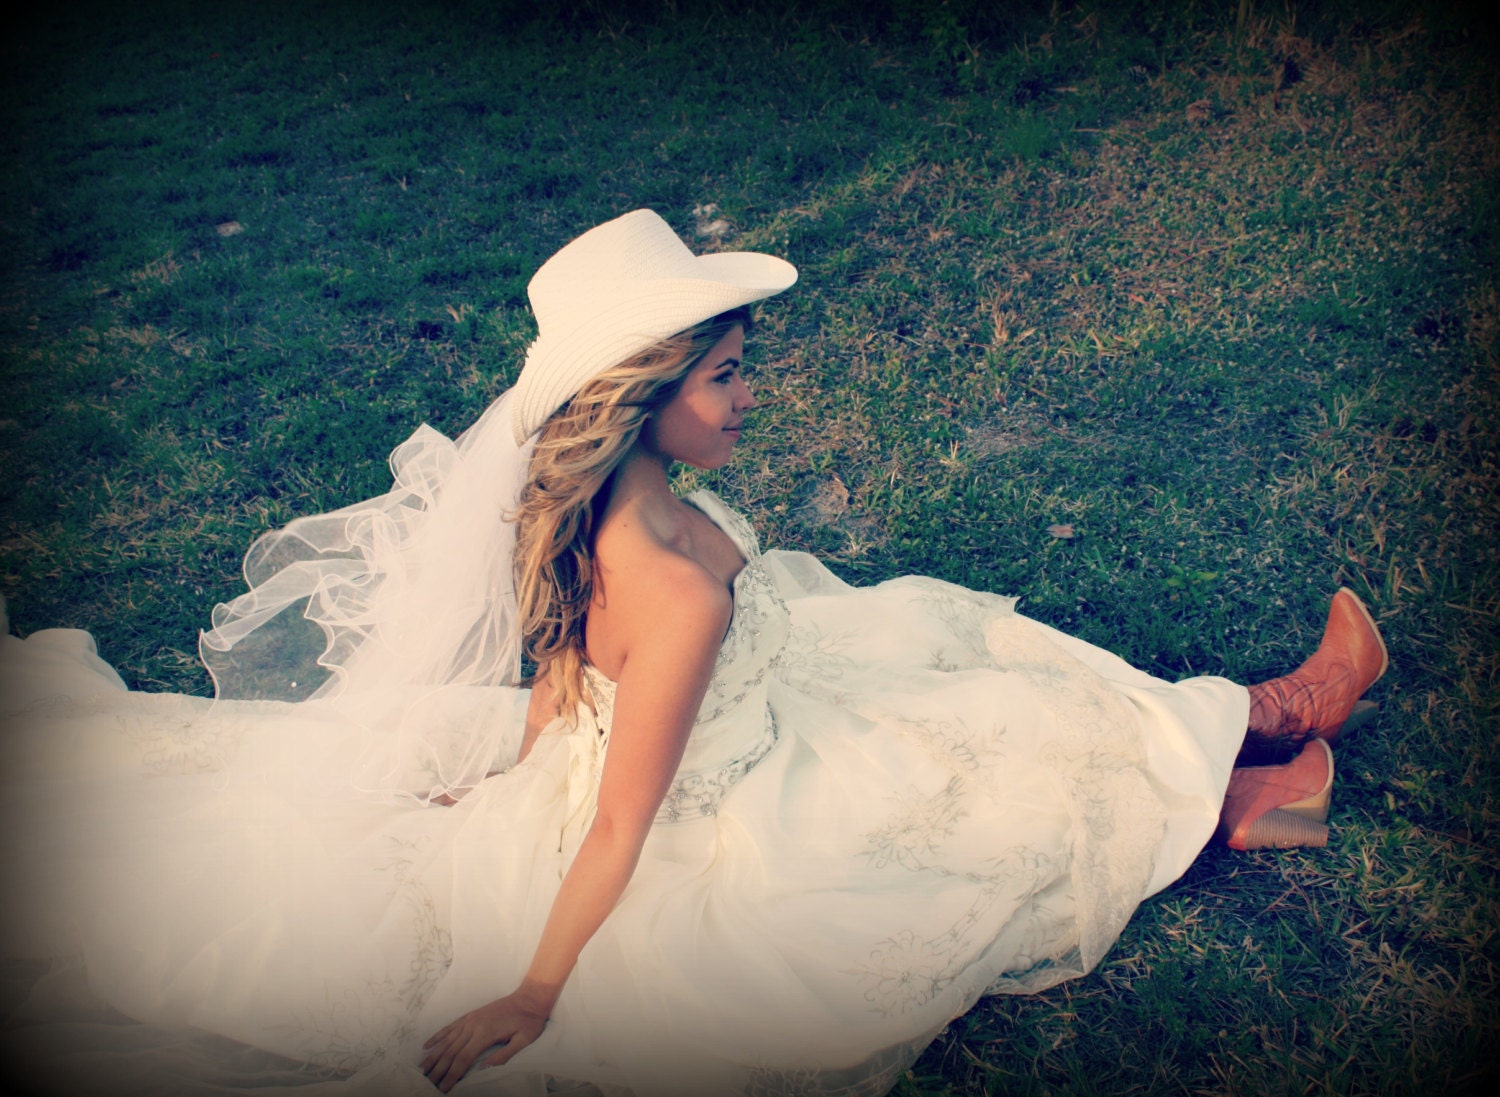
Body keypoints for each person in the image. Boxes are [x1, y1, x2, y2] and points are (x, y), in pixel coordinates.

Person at [0, 210, 1386, 1097]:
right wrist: (539, 988)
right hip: (733, 769)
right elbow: (619, 818)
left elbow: (557, 684)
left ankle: (1261, 737)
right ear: (644, 401)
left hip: (762, 682)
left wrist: (509, 777)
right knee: (1002, 773)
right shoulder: (673, 591)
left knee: (970, 643)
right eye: (723, 376)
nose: (745, 397)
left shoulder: (587, 506)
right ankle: (1262, 764)